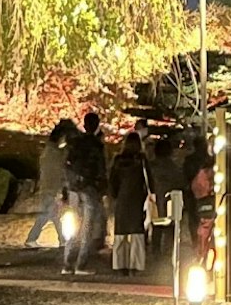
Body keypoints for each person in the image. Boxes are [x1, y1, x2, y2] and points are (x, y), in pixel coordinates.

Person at [59, 113, 108, 276]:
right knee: (87, 228)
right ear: (97, 126)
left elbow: (66, 164)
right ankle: (81, 265)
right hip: (89, 188)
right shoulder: (96, 145)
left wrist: (67, 186)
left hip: (74, 188)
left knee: (74, 226)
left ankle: (67, 263)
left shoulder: (75, 143)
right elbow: (101, 168)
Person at [25, 119, 77, 249]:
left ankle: (61, 239)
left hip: (49, 188)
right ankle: (32, 238)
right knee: (47, 214)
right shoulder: (53, 153)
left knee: (53, 214)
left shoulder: (50, 152)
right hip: (50, 188)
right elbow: (58, 170)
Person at [106, 131, 150, 275]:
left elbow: (112, 181)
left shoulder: (118, 160)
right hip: (137, 199)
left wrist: (115, 196)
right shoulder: (141, 159)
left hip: (122, 199)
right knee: (137, 233)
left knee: (120, 233)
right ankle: (135, 266)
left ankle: (120, 265)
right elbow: (148, 180)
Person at [180, 133, 215, 263]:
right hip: (208, 195)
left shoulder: (189, 160)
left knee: (194, 220)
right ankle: (204, 249)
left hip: (192, 194)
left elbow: (184, 176)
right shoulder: (209, 161)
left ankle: (197, 247)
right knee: (207, 222)